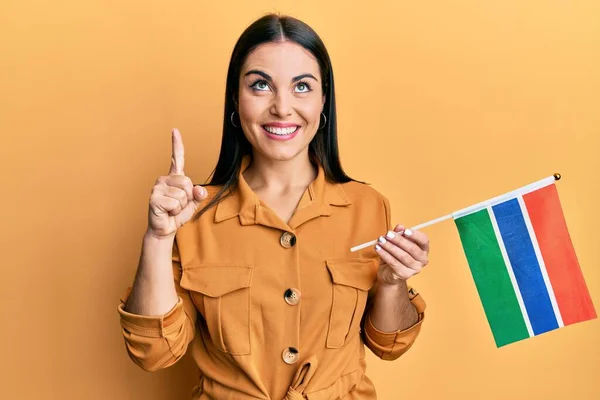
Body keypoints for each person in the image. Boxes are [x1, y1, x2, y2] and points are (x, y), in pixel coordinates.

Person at [117, 13, 429, 400]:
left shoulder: (368, 207)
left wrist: (392, 283)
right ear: (236, 97)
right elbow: (154, 353)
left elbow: (389, 344)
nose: (282, 108)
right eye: (261, 85)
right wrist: (158, 238)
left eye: (302, 86)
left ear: (323, 101)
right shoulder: (192, 215)